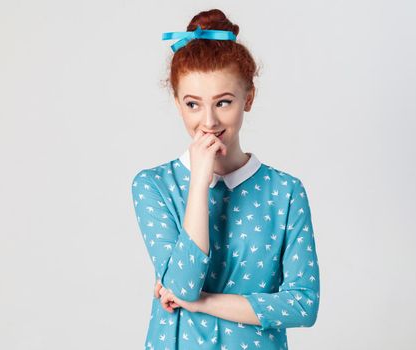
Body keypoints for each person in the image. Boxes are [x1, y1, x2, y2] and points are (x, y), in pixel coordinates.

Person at [130, 8, 320, 349]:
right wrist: (199, 183)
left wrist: (202, 303)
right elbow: (184, 284)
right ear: (176, 102)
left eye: (224, 102)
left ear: (248, 98)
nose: (208, 121)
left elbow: (303, 304)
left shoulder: (285, 192)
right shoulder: (153, 186)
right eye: (192, 104)